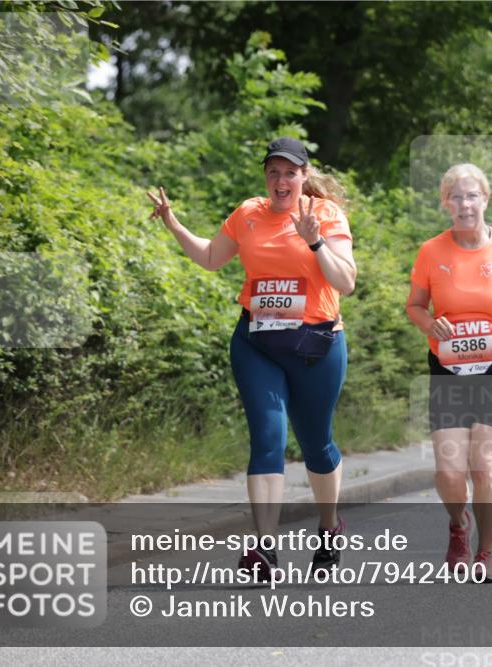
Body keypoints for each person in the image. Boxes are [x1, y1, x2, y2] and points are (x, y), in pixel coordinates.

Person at [146, 137, 357, 580]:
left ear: (303, 176)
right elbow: (210, 257)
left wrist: (316, 242)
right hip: (257, 343)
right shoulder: (248, 213)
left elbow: (347, 282)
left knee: (317, 445)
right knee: (267, 439)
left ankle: (328, 527)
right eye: (273, 172)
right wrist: (173, 223)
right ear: (266, 176)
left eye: (290, 172)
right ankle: (265, 549)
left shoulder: (324, 215)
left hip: (315, 346)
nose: (281, 180)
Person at [405, 163, 492, 583]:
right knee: (449, 472)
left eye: (472, 196)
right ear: (446, 203)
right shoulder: (431, 252)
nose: (465, 204)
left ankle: (486, 551)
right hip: (447, 370)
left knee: (483, 468)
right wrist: (430, 325)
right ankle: (458, 525)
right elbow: (415, 306)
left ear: (486, 199)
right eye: (456, 197)